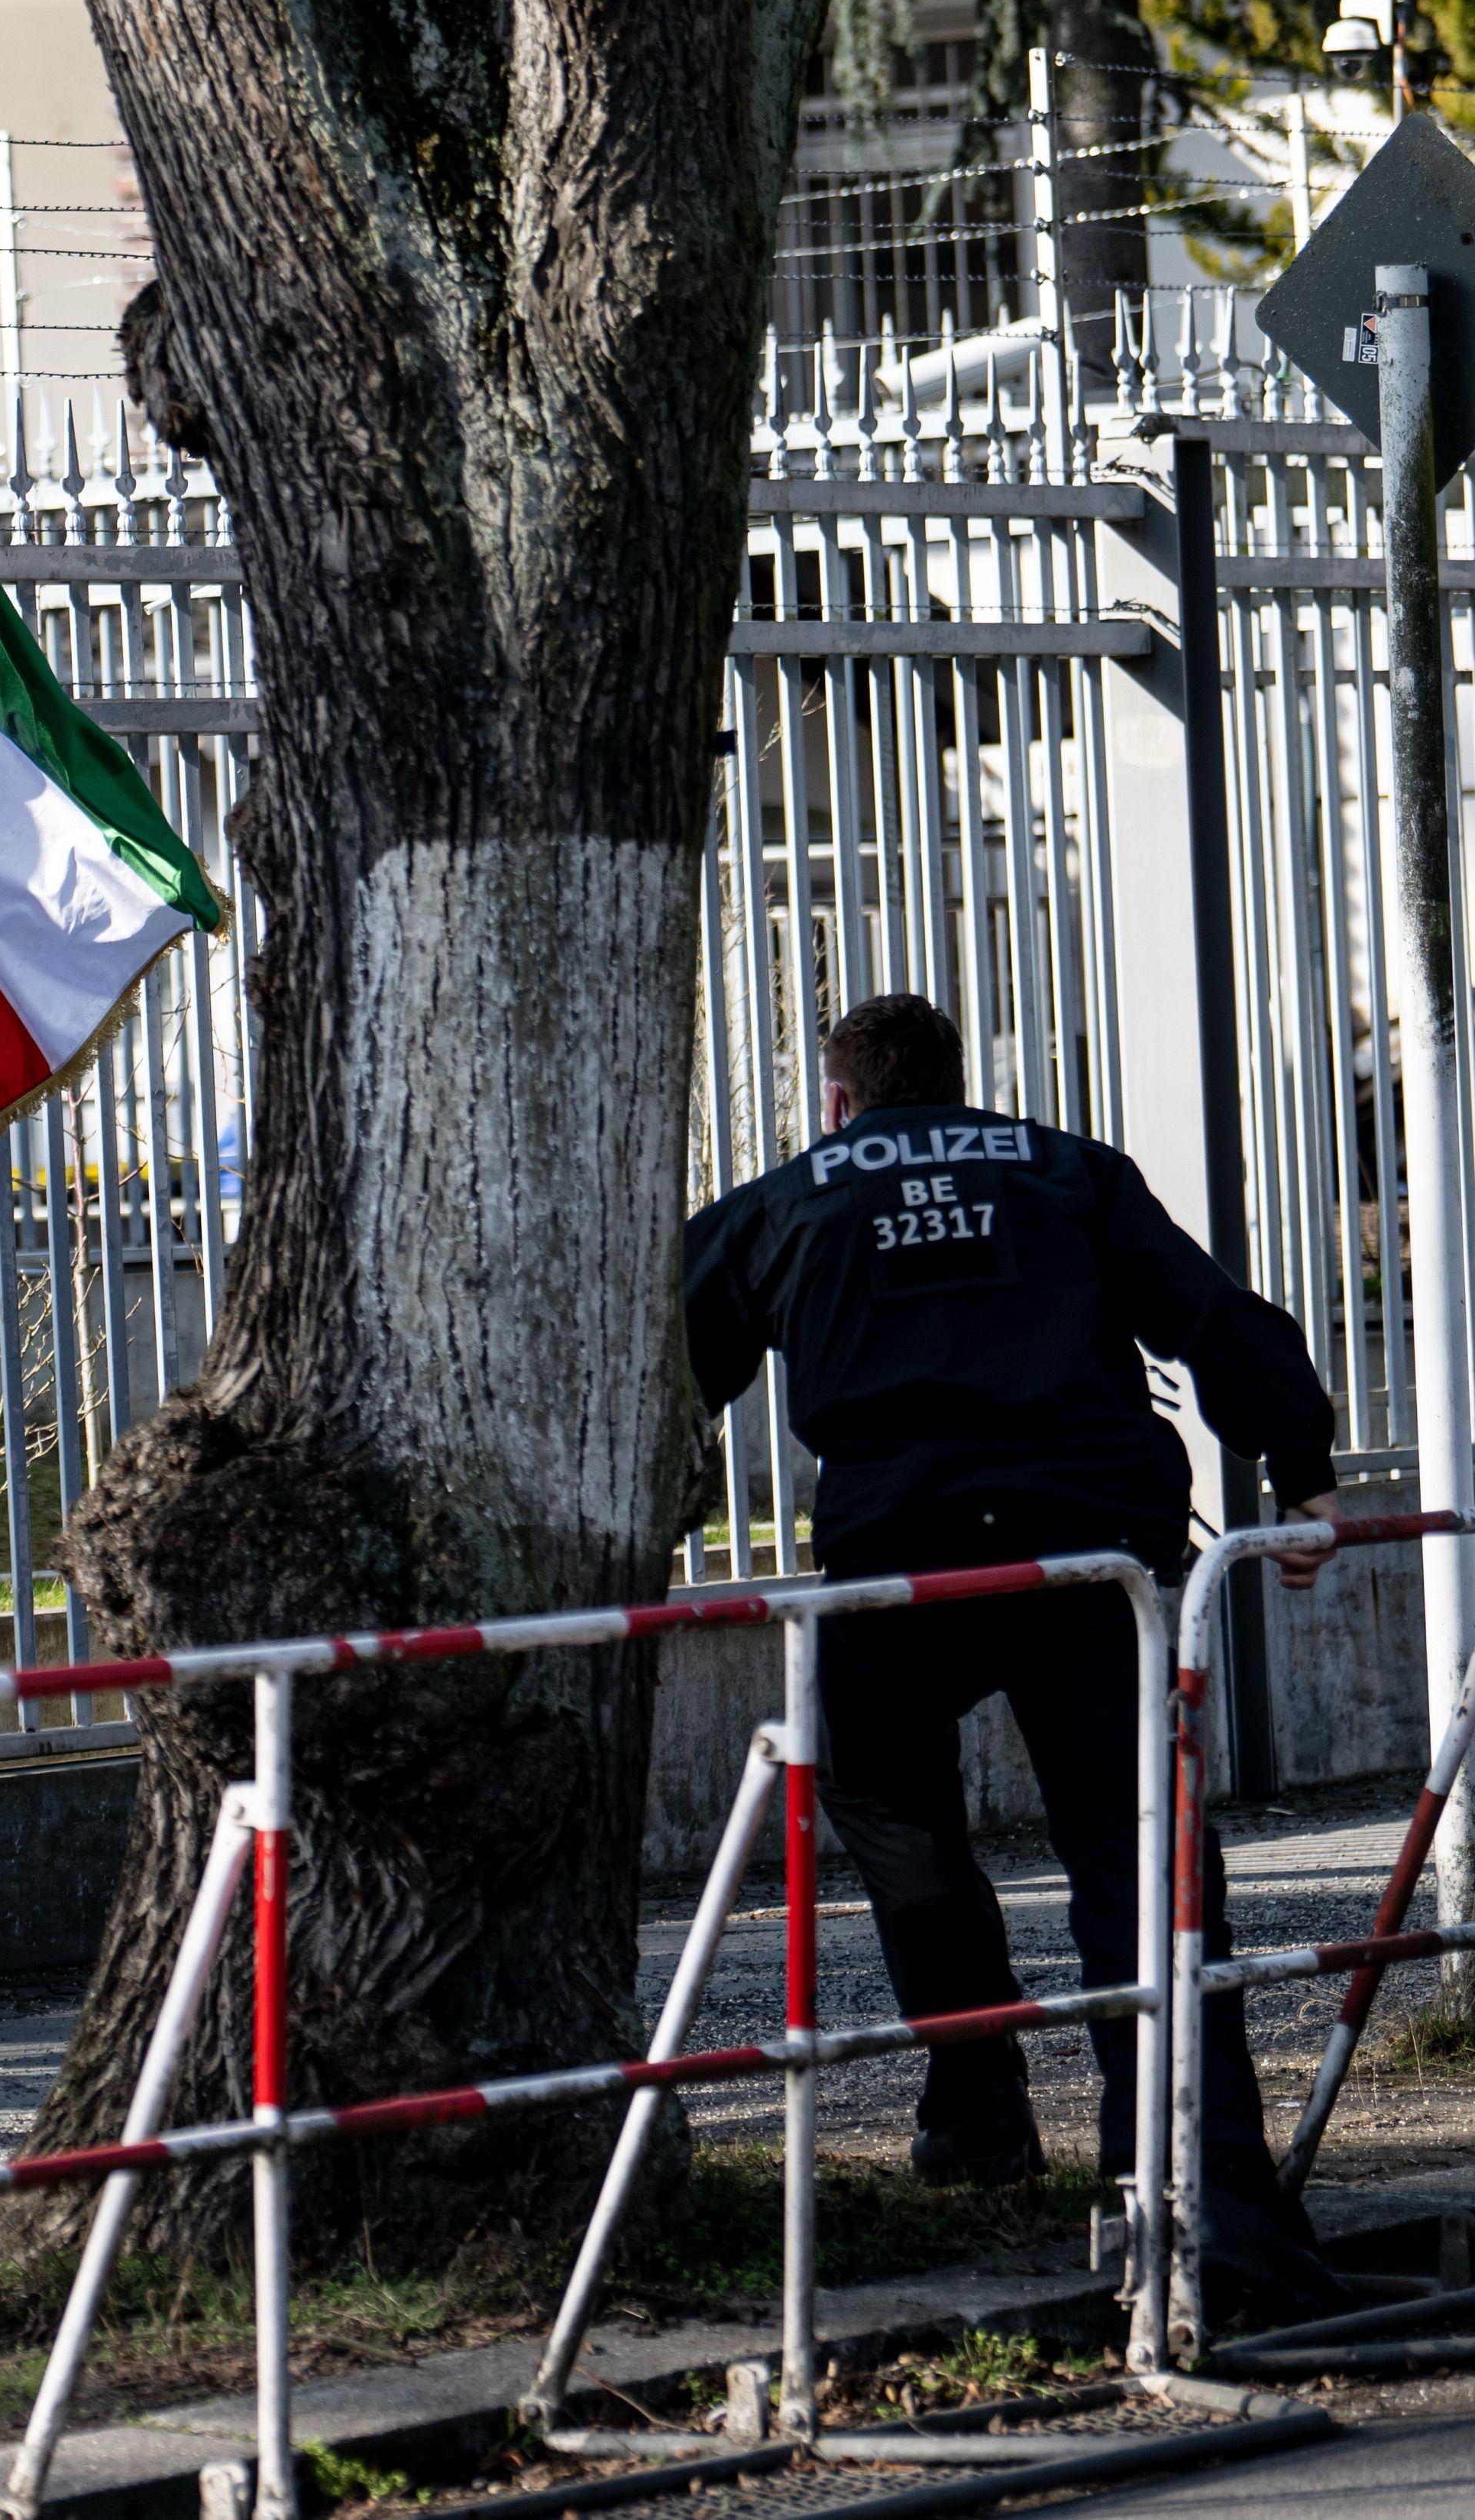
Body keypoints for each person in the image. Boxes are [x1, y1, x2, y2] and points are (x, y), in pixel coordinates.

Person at [681, 991, 1344, 2314]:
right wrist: (1304, 1466)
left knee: (888, 1808)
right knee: (1143, 1855)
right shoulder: (1064, 1169)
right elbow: (1210, 1313)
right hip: (1089, 1560)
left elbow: (665, 1358)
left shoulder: (789, 1199)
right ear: (960, 1085)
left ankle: (979, 2103)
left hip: (902, 1565)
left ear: (838, 1101)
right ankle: (1194, 2175)